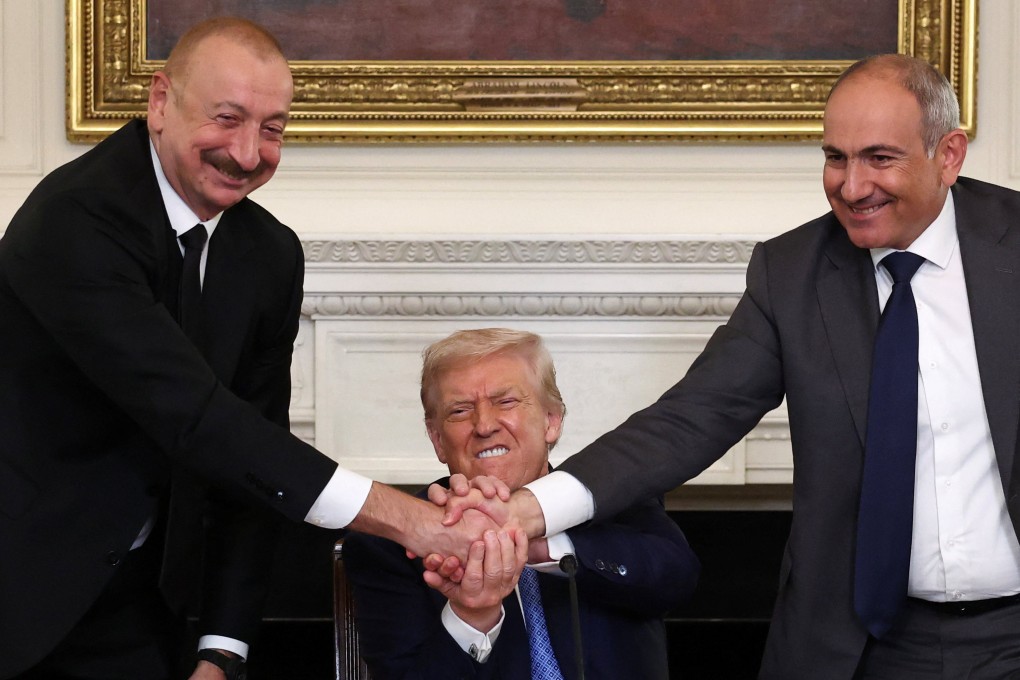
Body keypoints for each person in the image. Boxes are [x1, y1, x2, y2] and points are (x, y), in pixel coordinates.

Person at [438, 54, 1020, 679]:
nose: (851, 187)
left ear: (949, 155)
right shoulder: (792, 272)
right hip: (862, 647)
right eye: (835, 158)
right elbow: (690, 419)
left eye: (880, 158)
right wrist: (527, 510)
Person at [0, 17, 497, 680]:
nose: (246, 152)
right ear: (158, 103)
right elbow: (199, 418)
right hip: (19, 592)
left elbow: (255, 451)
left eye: (272, 129)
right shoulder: (74, 220)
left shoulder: (267, 253)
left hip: (144, 614)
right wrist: (410, 520)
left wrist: (224, 648)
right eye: (228, 118)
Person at [343, 328, 699, 679]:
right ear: (437, 440)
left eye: (506, 401)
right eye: (459, 411)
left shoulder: (611, 497)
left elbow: (677, 580)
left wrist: (538, 545)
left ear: (552, 421)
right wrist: (471, 615)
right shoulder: (394, 544)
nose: (484, 425)